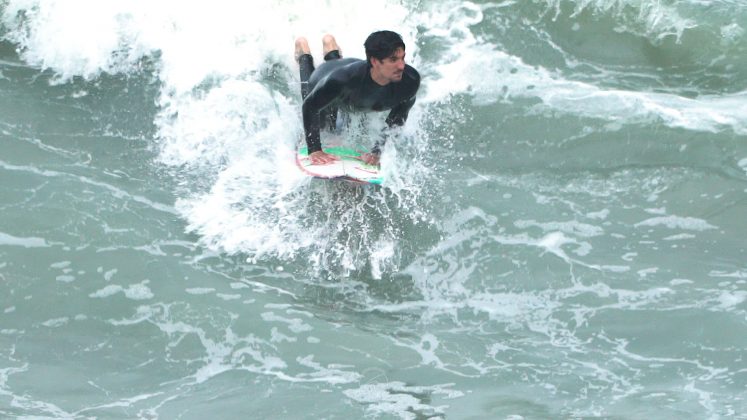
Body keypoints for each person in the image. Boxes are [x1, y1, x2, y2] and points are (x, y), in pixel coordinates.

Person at [295, 30, 420, 166]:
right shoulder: (341, 80)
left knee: (344, 96)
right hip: (324, 76)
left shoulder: (410, 80)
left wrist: (377, 151)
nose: (402, 66)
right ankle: (304, 53)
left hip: (347, 73)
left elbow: (398, 117)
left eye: (403, 58)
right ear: (374, 61)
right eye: (393, 60)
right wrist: (315, 150)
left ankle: (330, 45)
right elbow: (309, 106)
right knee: (325, 127)